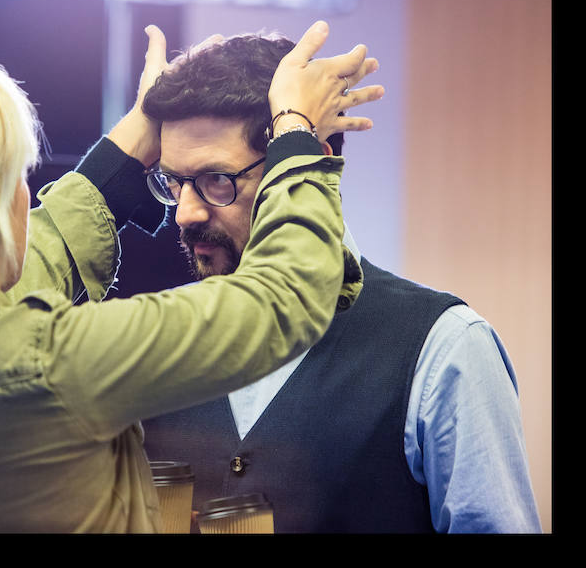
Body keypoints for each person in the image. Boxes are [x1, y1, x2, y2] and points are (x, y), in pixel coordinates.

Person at [0, 21, 383, 532]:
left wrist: (142, 130)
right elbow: (285, 297)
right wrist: (297, 131)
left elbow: (33, 259)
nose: (27, 197)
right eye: (14, 175)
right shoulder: (48, 366)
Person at [139, 31, 542, 533]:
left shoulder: (445, 349)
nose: (185, 213)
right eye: (172, 182)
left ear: (306, 164)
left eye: (217, 180)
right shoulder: (154, 341)